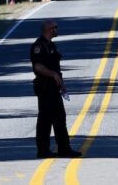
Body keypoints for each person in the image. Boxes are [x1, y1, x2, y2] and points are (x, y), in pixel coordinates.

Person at [30, 20, 82, 158]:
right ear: (49, 29)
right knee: (45, 119)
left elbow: (54, 66)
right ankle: (43, 150)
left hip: (54, 87)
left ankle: (64, 148)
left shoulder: (51, 45)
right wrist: (53, 74)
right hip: (45, 87)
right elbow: (38, 66)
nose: (57, 29)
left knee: (59, 118)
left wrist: (60, 82)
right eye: (55, 27)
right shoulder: (39, 46)